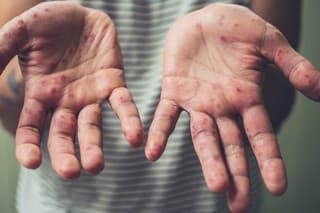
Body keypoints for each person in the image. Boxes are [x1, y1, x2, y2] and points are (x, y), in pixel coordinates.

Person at [0, 0, 313, 212]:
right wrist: (40, 76)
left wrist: (248, 73)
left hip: (215, 203)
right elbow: (13, 115)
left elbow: (271, 110)